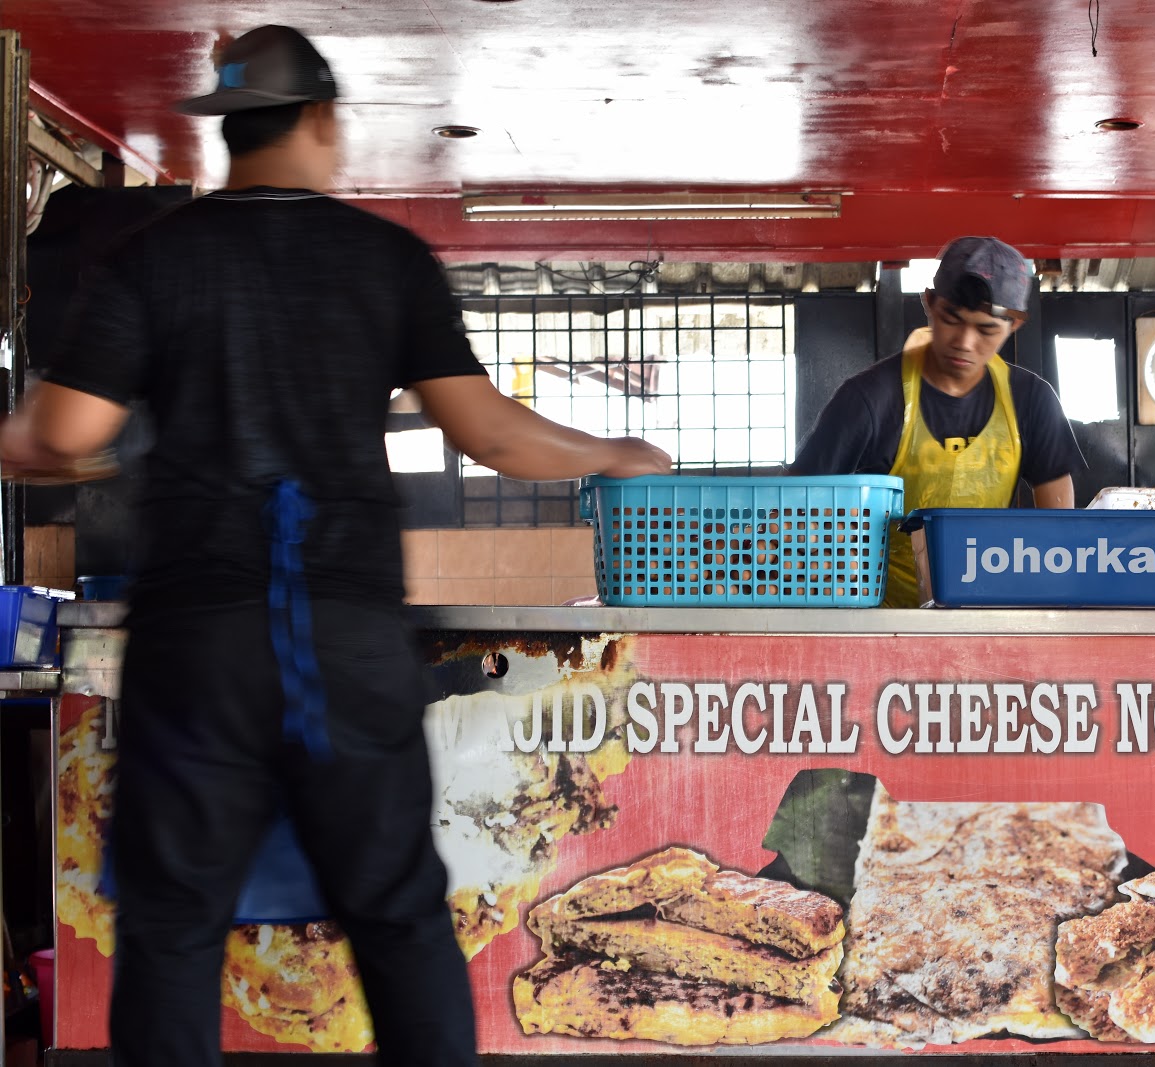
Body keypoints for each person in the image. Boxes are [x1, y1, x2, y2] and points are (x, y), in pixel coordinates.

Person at [0, 25, 669, 1067]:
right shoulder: (386, 259)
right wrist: (620, 451)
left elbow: (63, 435)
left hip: (198, 636)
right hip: (346, 634)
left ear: (228, 130)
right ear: (319, 118)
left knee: (174, 924)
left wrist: (23, 448)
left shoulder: (151, 258)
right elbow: (489, 433)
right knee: (397, 911)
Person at [789, 236, 1085, 607]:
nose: (964, 341)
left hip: (994, 613)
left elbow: (1059, 532)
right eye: (951, 319)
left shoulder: (1031, 401)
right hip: (885, 622)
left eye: (986, 329)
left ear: (1014, 325)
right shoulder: (868, 400)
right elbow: (794, 512)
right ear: (929, 302)